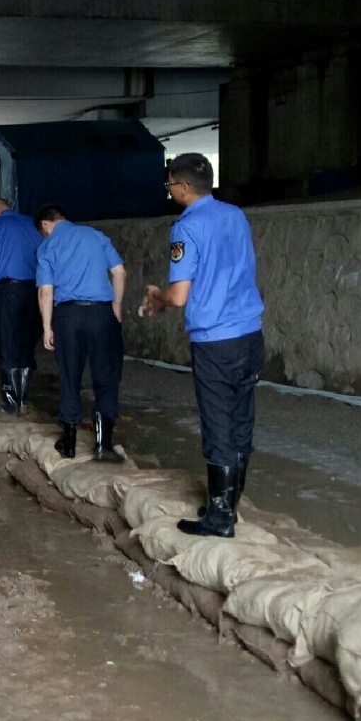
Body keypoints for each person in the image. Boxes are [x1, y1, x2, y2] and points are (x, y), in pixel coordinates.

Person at [141, 152, 265, 538]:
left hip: (215, 341)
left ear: (181, 187)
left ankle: (219, 518)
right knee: (242, 417)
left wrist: (156, 296)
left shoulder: (187, 228)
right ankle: (229, 504)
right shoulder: (235, 215)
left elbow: (179, 296)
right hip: (250, 333)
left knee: (218, 423)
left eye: (170, 185)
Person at [36, 205, 126, 461]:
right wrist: (116, 306)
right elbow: (120, 272)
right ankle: (104, 445)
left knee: (69, 376)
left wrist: (46, 327)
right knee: (107, 376)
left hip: (68, 316)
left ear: (45, 225)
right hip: (101, 314)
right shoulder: (96, 235)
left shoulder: (47, 246)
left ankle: (70, 443)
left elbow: (45, 291)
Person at [0, 198, 43, 415]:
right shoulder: (33, 223)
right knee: (26, 342)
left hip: (10, 290)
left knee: (8, 340)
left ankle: (11, 402)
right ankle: (23, 399)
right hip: (36, 289)